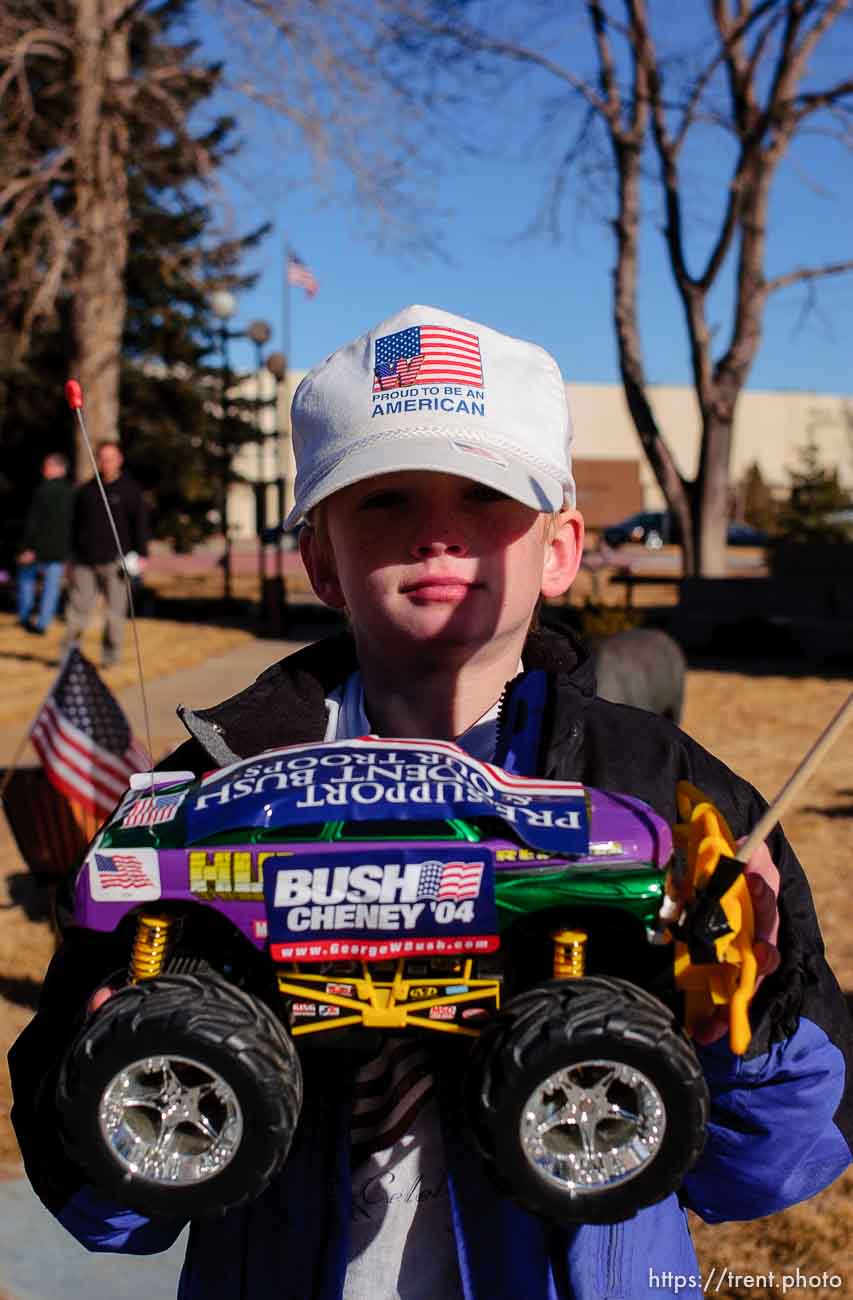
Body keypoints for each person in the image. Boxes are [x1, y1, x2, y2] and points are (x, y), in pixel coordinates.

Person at [8, 306, 852, 1299]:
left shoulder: (660, 791)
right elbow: (101, 1214)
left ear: (560, 548)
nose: (439, 531)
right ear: (320, 556)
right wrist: (117, 1066)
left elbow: (773, 1168)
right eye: (386, 499)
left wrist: (742, 1023)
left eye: (487, 496)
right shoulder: (209, 783)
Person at [62, 439, 149, 667]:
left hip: (116, 562)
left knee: (114, 615)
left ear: (119, 460)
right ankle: (68, 658)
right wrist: (70, 557)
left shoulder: (130, 491)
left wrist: (142, 554)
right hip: (85, 561)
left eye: (111, 458)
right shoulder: (87, 491)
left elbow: (139, 524)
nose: (106, 463)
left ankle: (110, 659)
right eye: (102, 458)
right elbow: (75, 525)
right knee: (77, 611)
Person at [15, 452, 74, 634]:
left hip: (38, 549)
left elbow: (34, 522)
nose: (44, 469)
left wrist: (26, 548)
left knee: (26, 579)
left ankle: (25, 616)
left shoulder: (43, 490)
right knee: (51, 587)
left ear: (59, 469)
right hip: (59, 550)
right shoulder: (72, 493)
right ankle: (43, 622)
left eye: (48, 466)